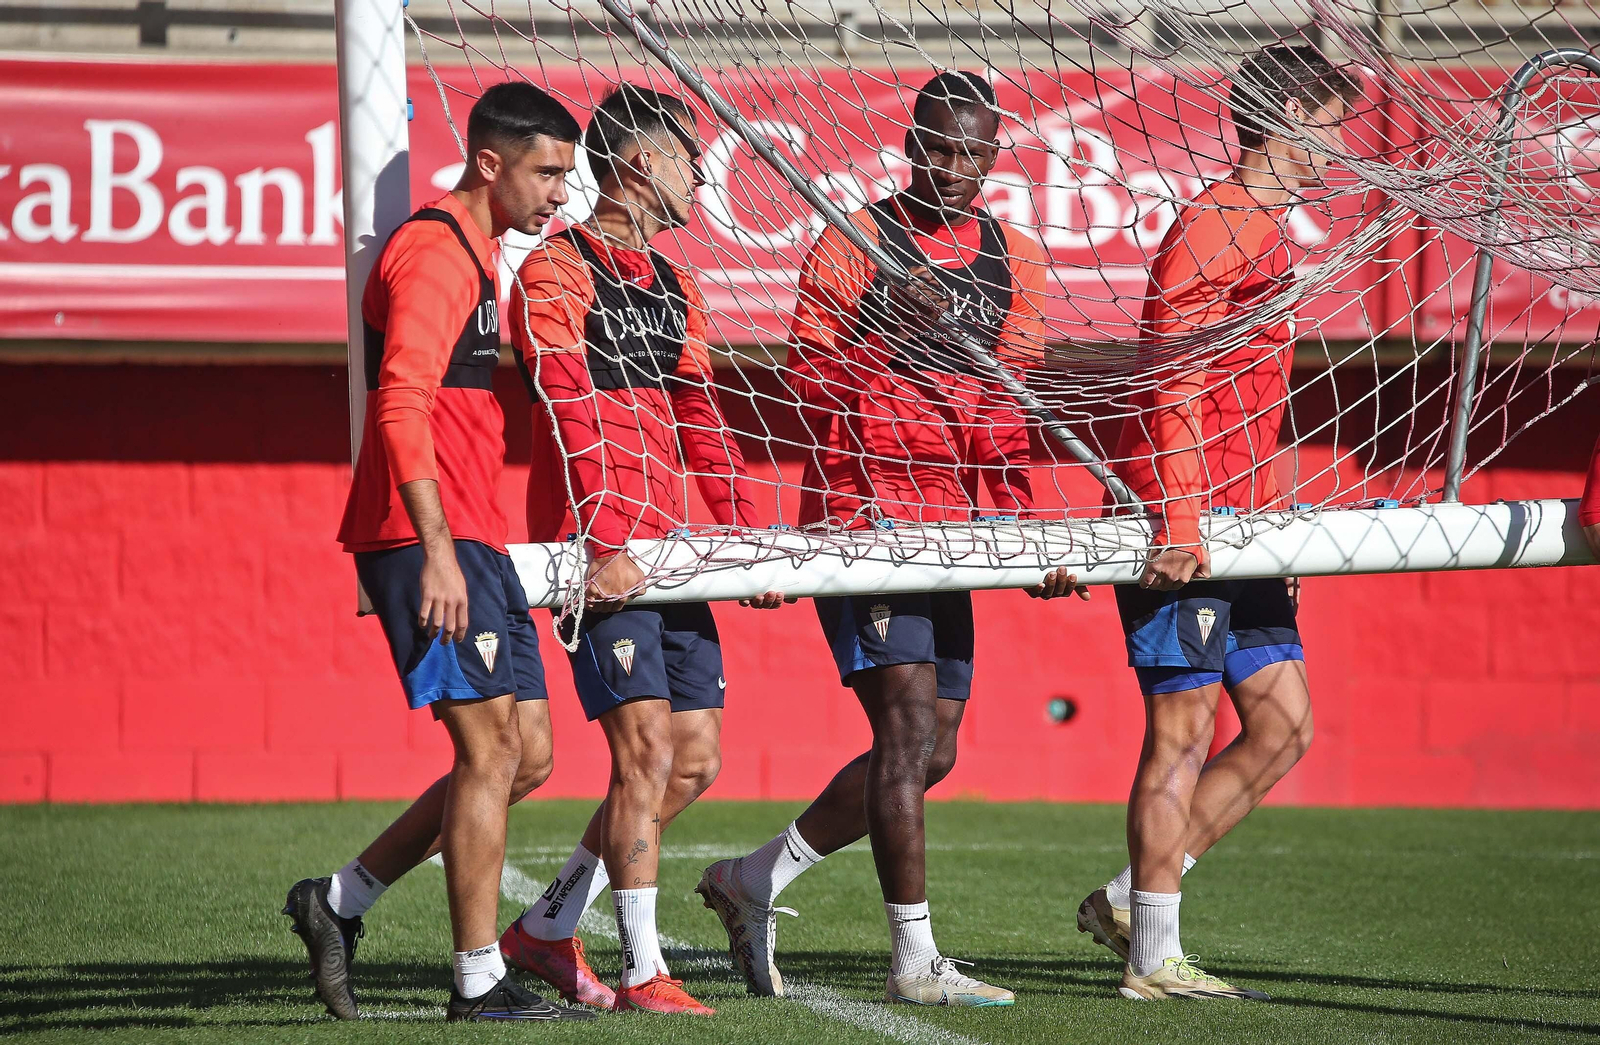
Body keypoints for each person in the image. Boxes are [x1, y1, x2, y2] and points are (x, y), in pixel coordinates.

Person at [697, 70, 1085, 1007]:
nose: (953, 168)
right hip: (862, 519)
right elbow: (801, 387)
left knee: (933, 751)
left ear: (996, 155)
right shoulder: (853, 242)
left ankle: (753, 879)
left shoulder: (1016, 257)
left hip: (950, 530)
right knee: (907, 733)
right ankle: (914, 958)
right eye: (938, 148)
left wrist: (1020, 532)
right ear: (910, 146)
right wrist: (884, 326)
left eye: (973, 151)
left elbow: (1009, 401)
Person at [282, 82, 593, 1024]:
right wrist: (439, 551)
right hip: (431, 539)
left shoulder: (484, 252)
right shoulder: (432, 254)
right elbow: (400, 401)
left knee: (525, 754)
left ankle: (338, 901)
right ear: (489, 164)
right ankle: (477, 984)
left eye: (568, 176)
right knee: (490, 748)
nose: (559, 195)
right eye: (547, 173)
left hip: (474, 535)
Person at [1074, 45, 1361, 1001]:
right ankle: (1152, 958)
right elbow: (1174, 382)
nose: (1341, 144)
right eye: (1328, 122)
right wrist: (1185, 517)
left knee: (1284, 725)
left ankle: (1130, 895)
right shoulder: (1213, 226)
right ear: (1284, 122)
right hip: (1179, 517)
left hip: (1243, 522)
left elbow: (1249, 401)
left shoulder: (1271, 233)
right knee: (1183, 732)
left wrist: (1269, 525)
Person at [498, 84, 784, 1017]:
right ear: (642, 161)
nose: (701, 170)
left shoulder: (678, 285)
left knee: (694, 760)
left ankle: (543, 931)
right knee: (646, 751)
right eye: (687, 152)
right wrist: (605, 538)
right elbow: (568, 404)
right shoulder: (556, 270)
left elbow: (701, 414)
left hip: (668, 553)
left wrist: (744, 531)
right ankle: (639, 971)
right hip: (602, 554)